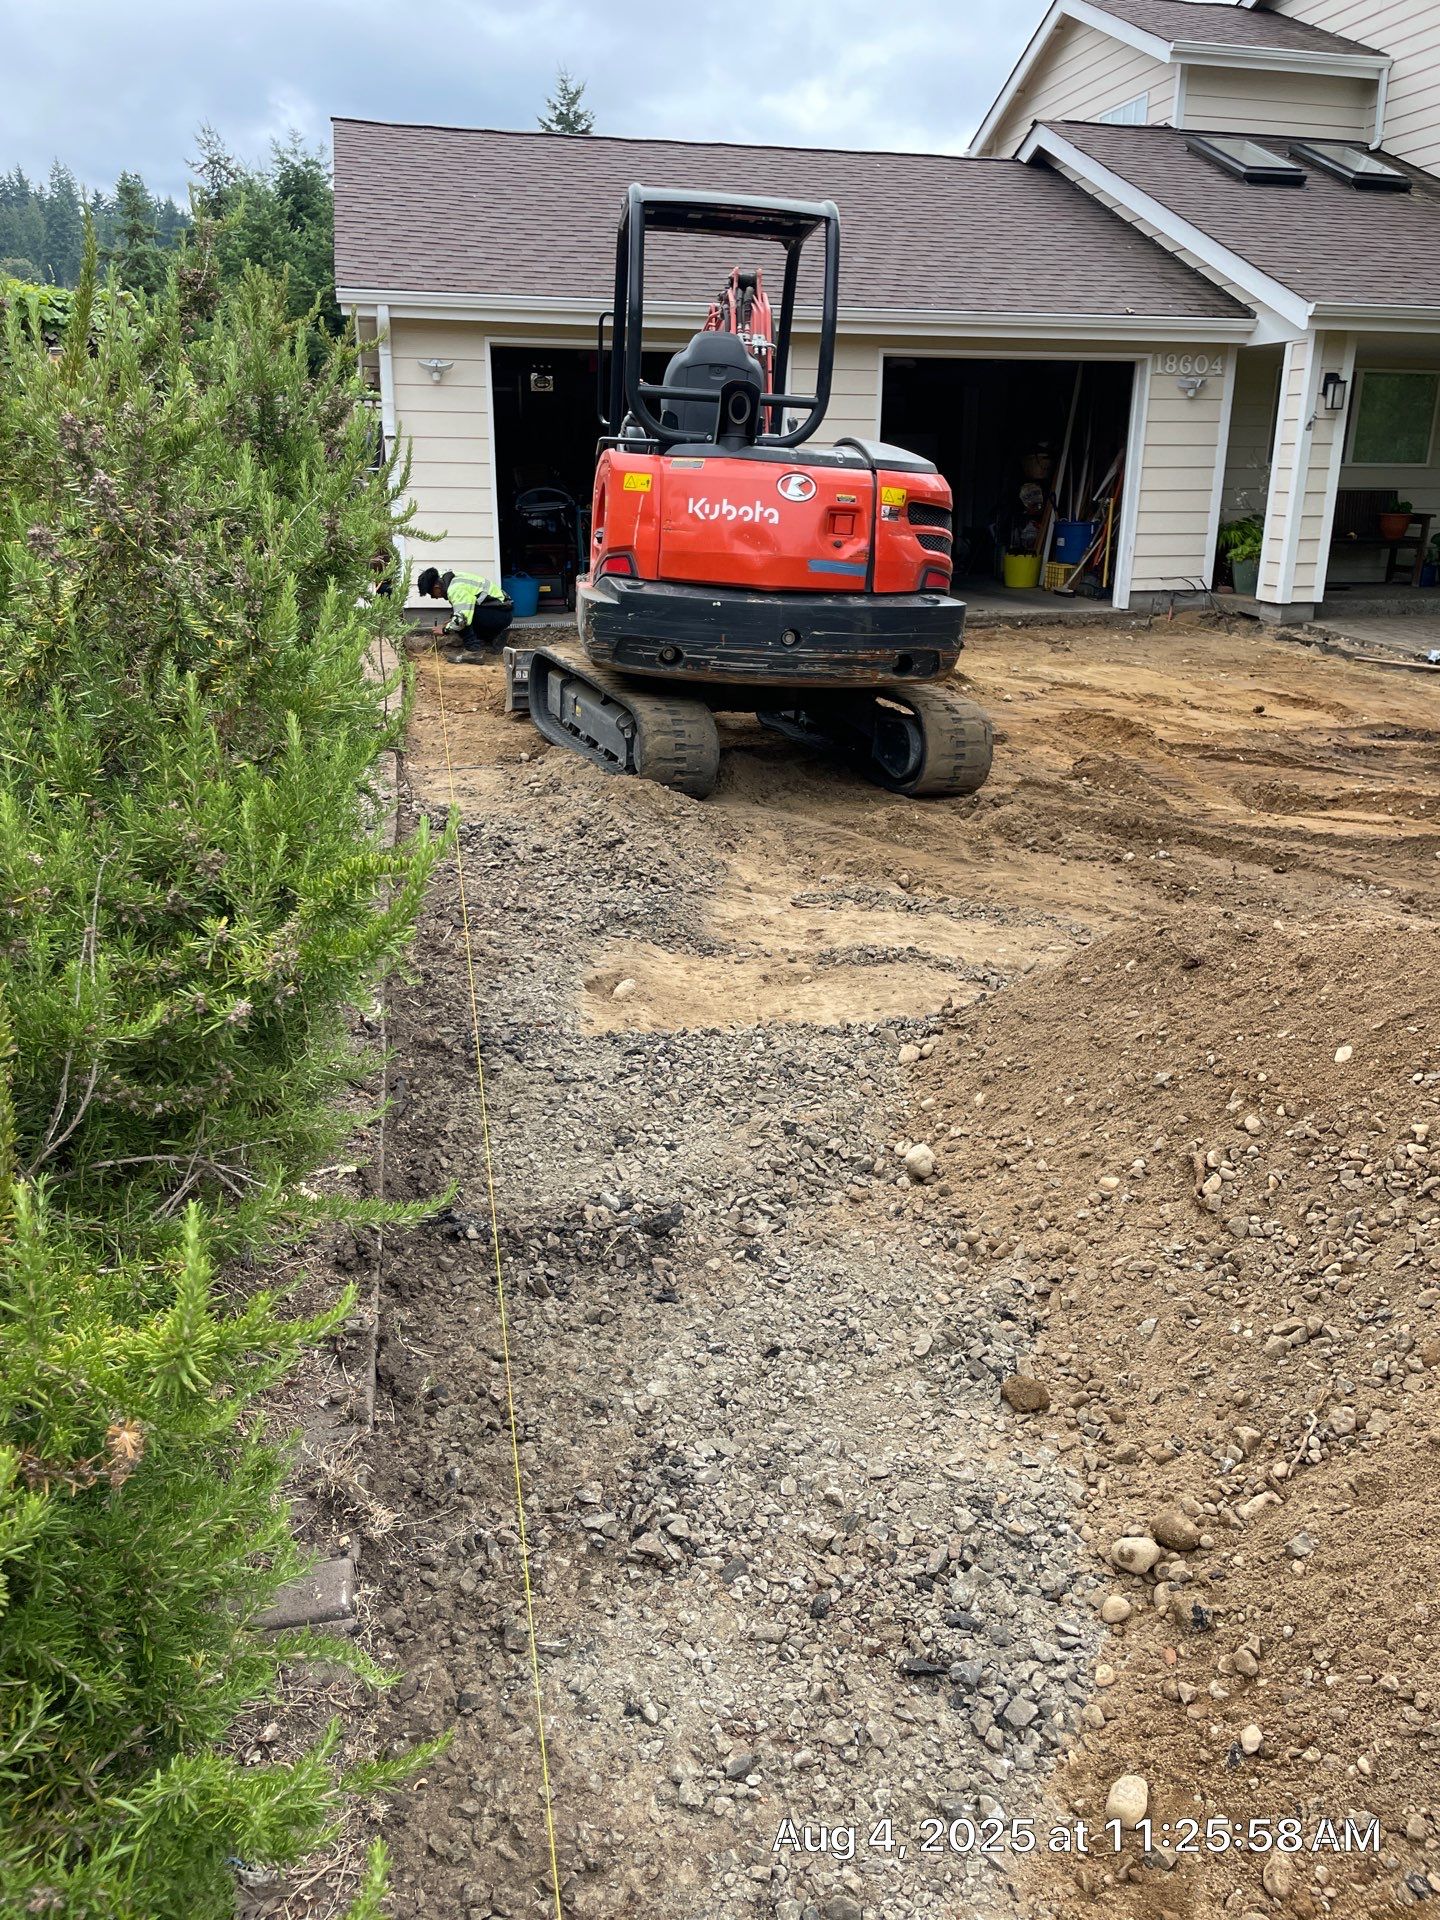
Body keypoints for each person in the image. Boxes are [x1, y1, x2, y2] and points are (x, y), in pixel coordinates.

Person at [416, 565, 514, 655]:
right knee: (458, 617)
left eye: (432, 594)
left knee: (460, 619)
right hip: (500, 611)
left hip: (500, 614)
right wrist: (451, 622)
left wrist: (444, 630)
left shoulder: (455, 589)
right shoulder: (449, 578)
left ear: (436, 587)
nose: (435, 598)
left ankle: (473, 651)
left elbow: (461, 620)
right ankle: (494, 639)